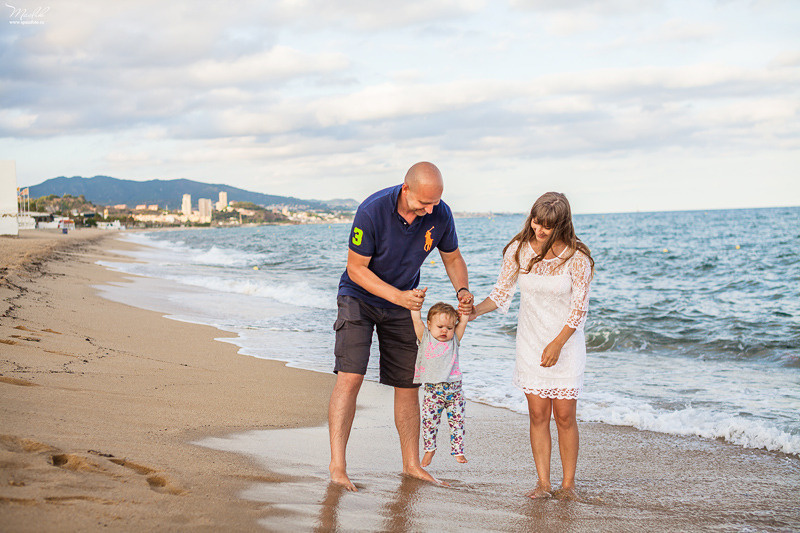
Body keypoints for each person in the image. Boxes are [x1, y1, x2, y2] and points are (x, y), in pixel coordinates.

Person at [328, 162, 474, 491]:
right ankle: (338, 466)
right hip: (359, 297)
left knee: (408, 384)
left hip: (404, 303)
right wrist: (399, 297)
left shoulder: (440, 213)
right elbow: (356, 269)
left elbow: (452, 257)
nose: (430, 210)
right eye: (424, 202)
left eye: (435, 202)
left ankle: (411, 465)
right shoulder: (372, 210)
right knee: (351, 377)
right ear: (406, 189)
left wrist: (462, 291)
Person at [470, 192, 594, 500]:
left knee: (564, 416)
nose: (539, 229)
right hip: (530, 342)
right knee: (538, 415)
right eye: (536, 222)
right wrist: (474, 312)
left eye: (547, 226)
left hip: (565, 344)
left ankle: (568, 485)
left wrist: (557, 344)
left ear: (561, 225)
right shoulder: (519, 250)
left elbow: (579, 310)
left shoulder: (578, 258)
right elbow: (501, 293)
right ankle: (543, 483)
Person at [410, 300, 470, 466]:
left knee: (457, 422)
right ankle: (430, 450)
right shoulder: (425, 338)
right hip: (433, 392)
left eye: (449, 328)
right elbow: (416, 320)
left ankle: (458, 451)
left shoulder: (454, 340)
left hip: (454, 392)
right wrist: (415, 305)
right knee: (429, 422)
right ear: (429, 325)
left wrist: (465, 307)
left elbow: (463, 322)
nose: (445, 331)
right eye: (440, 327)